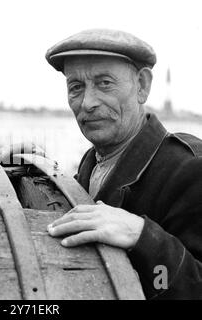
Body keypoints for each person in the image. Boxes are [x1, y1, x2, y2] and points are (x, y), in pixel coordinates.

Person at [44, 29, 202, 299]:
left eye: (104, 83)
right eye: (76, 87)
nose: (87, 103)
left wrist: (143, 237)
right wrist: (34, 169)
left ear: (142, 86)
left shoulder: (190, 169)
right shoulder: (92, 162)